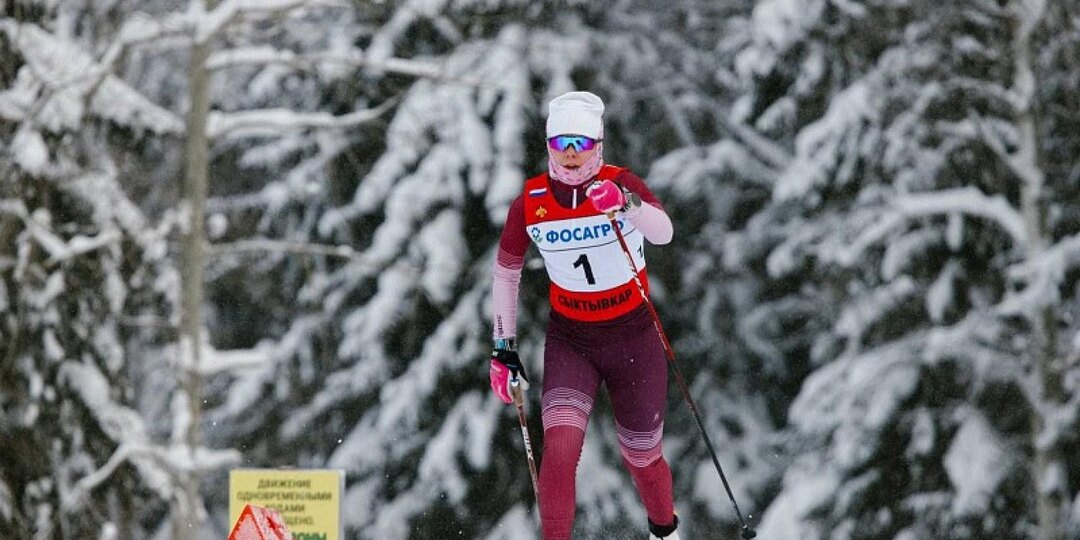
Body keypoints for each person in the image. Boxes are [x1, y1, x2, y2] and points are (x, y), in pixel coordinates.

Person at [488, 91, 680, 540]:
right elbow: (506, 272)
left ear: (598, 144)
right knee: (561, 445)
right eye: (560, 144)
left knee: (641, 456)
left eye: (580, 143)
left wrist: (625, 203)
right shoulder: (532, 201)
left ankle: (665, 533)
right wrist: (504, 347)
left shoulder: (621, 183)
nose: (571, 155)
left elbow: (665, 232)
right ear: (549, 146)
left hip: (634, 335)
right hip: (572, 340)